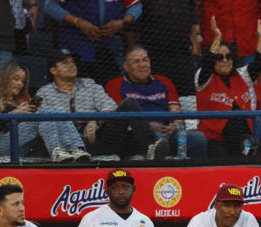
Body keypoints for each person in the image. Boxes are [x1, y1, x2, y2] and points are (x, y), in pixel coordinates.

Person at [36, 48, 170, 161]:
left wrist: (95, 120)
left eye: (73, 62)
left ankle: (151, 147)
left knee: (129, 103)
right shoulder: (44, 93)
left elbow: (111, 108)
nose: (72, 65)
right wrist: (84, 119)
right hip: (71, 145)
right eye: (65, 63)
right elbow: (46, 123)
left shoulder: (89, 85)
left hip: (99, 138)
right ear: (53, 70)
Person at [105, 46, 207, 159]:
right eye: (136, 61)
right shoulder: (115, 84)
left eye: (145, 60)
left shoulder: (164, 81)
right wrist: (148, 126)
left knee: (198, 139)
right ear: (126, 66)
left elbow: (177, 113)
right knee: (157, 137)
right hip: (135, 137)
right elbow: (120, 119)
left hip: (167, 133)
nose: (142, 64)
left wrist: (174, 126)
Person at [0, 60, 90, 162]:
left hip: (28, 146)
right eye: (16, 79)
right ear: (6, 77)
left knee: (57, 112)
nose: (20, 84)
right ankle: (57, 150)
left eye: (23, 81)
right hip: (4, 145)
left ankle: (77, 149)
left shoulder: (24, 100)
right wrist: (15, 113)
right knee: (42, 113)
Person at [195, 15, 261, 158]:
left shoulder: (242, 74)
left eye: (228, 56)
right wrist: (217, 37)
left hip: (242, 134)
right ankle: (248, 146)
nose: (225, 60)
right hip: (215, 138)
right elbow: (207, 62)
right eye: (219, 57)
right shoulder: (204, 77)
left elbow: (259, 62)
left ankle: (248, 145)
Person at [131, 0, 198, 95]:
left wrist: (195, 42)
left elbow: (192, 16)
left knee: (188, 95)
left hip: (182, 54)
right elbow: (132, 28)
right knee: (159, 95)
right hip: (155, 56)